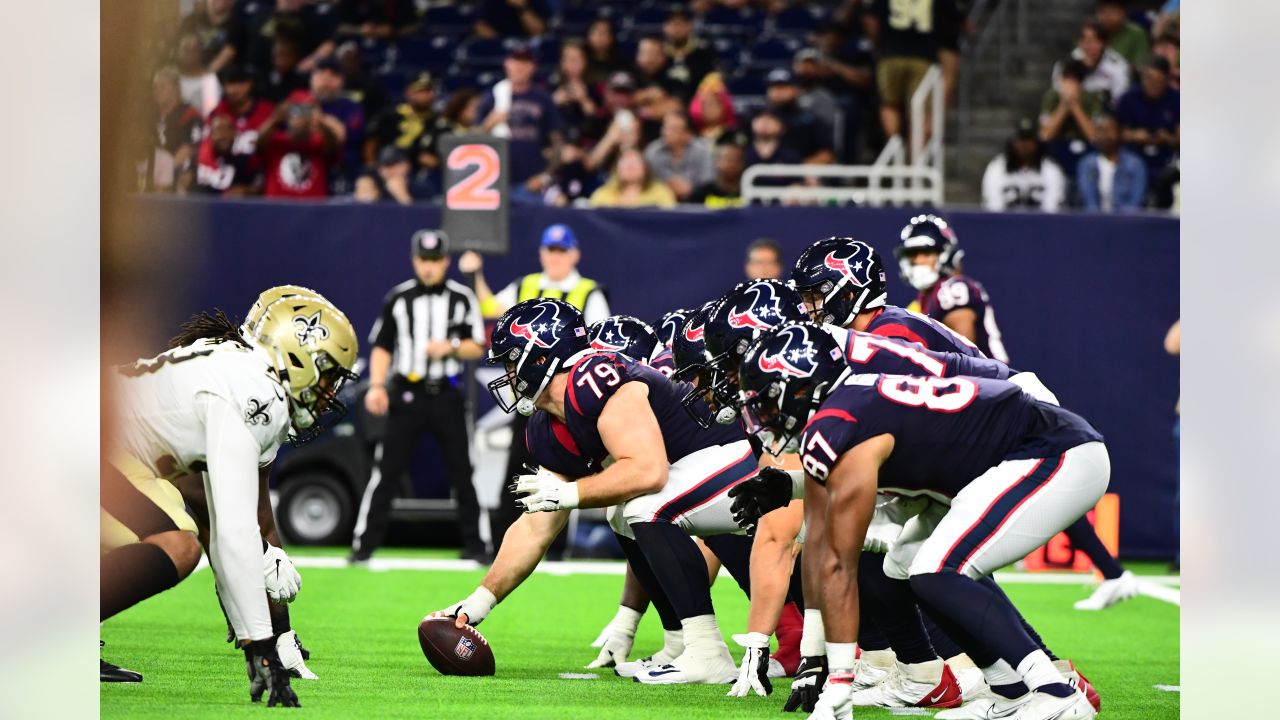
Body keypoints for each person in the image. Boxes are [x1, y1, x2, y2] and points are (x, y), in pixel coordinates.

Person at [735, 324, 1107, 720]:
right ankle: (1010, 690)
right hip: (1010, 457)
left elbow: (835, 560)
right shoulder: (847, 408)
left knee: (938, 570)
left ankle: (1055, 690)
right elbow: (855, 482)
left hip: (1051, 451)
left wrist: (838, 679)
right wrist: (790, 486)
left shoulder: (841, 422)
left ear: (801, 388)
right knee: (906, 566)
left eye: (768, 403)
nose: (764, 418)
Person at [429, 299, 758, 685]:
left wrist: (571, 494)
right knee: (625, 514)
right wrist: (481, 599)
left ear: (540, 359)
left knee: (640, 505)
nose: (506, 374)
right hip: (702, 484)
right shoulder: (547, 426)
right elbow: (537, 526)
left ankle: (707, 651)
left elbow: (648, 471)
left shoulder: (594, 378)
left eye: (511, 361)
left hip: (739, 462)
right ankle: (683, 644)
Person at [101, 292, 358, 703]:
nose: (328, 394)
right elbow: (234, 531)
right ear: (296, 354)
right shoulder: (257, 395)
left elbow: (221, 529)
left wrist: (259, 644)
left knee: (173, 536)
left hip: (99, 441)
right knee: (176, 545)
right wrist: (262, 648)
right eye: (327, 375)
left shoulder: (237, 366)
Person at [458, 224, 612, 550]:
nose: (555, 257)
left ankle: (554, 548)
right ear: (542, 253)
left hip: (568, 402)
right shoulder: (526, 285)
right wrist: (476, 273)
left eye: (561, 251)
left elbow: (600, 345)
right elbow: (489, 309)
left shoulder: (589, 291)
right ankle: (502, 543)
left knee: (562, 468)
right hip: (528, 396)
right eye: (550, 250)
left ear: (574, 254)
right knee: (516, 469)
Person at [353, 230, 488, 563]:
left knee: (464, 471)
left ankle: (477, 546)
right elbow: (382, 345)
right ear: (415, 261)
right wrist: (377, 386)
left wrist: (451, 347)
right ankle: (364, 546)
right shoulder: (398, 298)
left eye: (435, 260)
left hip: (447, 394)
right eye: (423, 260)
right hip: (408, 393)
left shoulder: (462, 298)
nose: (429, 267)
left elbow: (478, 346)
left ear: (446, 261)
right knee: (387, 470)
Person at [894, 215, 1010, 362]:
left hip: (988, 380)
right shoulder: (920, 303)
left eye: (926, 253)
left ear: (945, 254)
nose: (919, 261)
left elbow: (966, 356)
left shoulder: (953, 289)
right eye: (912, 255)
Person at [476, 44, 564, 200]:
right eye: (516, 61)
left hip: (530, 185)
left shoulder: (542, 99)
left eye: (525, 62)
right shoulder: (492, 97)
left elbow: (557, 142)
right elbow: (470, 141)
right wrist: (488, 124)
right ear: (507, 64)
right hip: (493, 184)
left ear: (533, 67)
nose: (520, 67)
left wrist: (545, 177)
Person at [864, 0, 961, 140]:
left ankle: (894, 146)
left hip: (891, 55)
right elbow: (953, 20)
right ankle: (914, 155)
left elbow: (871, 20)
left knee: (890, 105)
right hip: (923, 58)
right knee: (918, 112)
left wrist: (876, 44)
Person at [367, 71, 451, 186]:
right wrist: (372, 165)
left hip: (419, 175)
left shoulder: (439, 123)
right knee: (366, 182)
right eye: (421, 91)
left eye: (429, 91)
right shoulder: (391, 115)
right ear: (408, 92)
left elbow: (441, 156)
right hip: (385, 167)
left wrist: (435, 161)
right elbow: (372, 142)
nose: (427, 95)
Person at [256, 99, 343, 199]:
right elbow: (259, 143)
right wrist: (275, 119)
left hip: (313, 210)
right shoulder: (277, 141)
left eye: (304, 112)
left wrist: (320, 120)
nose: (299, 118)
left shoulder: (318, 143)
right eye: (294, 112)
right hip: (277, 208)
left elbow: (334, 146)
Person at [1114, 56, 1180, 184]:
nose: (1152, 85)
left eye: (1158, 81)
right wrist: (1134, 136)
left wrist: (1168, 138)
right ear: (1142, 77)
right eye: (1148, 78)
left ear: (1166, 80)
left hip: (1167, 155)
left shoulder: (1176, 99)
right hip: (1133, 153)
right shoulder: (1128, 98)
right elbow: (1117, 133)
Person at [982, 119, 1066, 212]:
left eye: (1029, 140)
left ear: (1037, 143)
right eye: (1020, 140)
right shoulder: (997, 167)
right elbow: (993, 208)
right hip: (1004, 224)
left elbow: (1052, 209)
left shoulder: (1051, 169)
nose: (1024, 145)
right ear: (1012, 143)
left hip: (1041, 225)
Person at [1039, 59, 1102, 181]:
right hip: (1057, 146)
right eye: (1067, 79)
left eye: (1075, 81)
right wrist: (1064, 106)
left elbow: (1095, 137)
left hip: (1085, 149)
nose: (1070, 85)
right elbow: (1045, 135)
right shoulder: (1051, 98)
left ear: (1081, 83)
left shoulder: (1091, 99)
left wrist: (1075, 106)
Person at [307, 58, 365, 189]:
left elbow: (344, 136)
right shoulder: (299, 102)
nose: (326, 79)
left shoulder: (351, 107)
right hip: (307, 166)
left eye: (333, 75)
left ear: (342, 81)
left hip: (342, 171)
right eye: (321, 73)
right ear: (311, 78)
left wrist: (319, 118)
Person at [1077, 113, 1148, 211]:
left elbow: (1135, 202)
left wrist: (1118, 222)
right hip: (1094, 221)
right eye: (1100, 130)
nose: (1104, 135)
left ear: (1120, 133)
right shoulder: (1087, 164)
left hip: (1126, 222)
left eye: (1109, 130)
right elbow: (1089, 202)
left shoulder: (1135, 164)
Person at [764, 69, 836, 165]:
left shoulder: (810, 121)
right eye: (773, 87)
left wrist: (800, 171)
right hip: (762, 174)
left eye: (783, 87)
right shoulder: (757, 120)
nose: (777, 92)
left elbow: (827, 154)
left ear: (796, 89)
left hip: (801, 175)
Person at [148, 67, 202, 192]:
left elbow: (188, 149)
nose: (157, 91)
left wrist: (163, 173)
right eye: (155, 87)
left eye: (162, 86)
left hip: (176, 173)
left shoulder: (189, 115)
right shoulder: (150, 115)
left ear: (177, 88)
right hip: (151, 172)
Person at [1051, 22, 1130, 106]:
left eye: (1093, 40)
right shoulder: (1065, 63)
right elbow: (1057, 91)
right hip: (1072, 107)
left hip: (1104, 110)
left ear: (1104, 43)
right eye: (1084, 40)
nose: (1088, 45)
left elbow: (1119, 98)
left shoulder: (1118, 65)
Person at [644, 111, 714, 202]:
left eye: (672, 129)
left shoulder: (702, 150)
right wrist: (668, 186)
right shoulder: (653, 151)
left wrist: (692, 191)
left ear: (687, 135)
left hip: (697, 203)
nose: (665, 132)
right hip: (661, 204)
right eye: (665, 127)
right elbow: (646, 184)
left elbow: (709, 182)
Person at [208, 64, 276, 158]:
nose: (235, 89)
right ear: (224, 87)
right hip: (226, 168)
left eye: (241, 83)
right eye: (230, 84)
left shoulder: (267, 110)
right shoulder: (217, 112)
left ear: (250, 84)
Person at [186, 114, 262, 196]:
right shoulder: (197, 160)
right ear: (211, 135)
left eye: (228, 129)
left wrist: (247, 191)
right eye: (218, 130)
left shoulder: (244, 163)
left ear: (234, 133)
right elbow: (184, 187)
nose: (223, 135)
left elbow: (258, 186)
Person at [589, 149, 678, 208]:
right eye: (625, 162)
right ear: (616, 169)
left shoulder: (661, 193)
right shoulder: (602, 194)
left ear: (645, 168)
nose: (630, 165)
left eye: (635, 162)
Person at [177, 0, 247, 74]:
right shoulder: (190, 21)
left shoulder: (238, 28)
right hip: (184, 71)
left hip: (215, 78)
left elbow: (222, 60)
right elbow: (180, 49)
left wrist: (199, 77)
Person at [354, 146, 433, 204]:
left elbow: (423, 220)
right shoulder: (376, 183)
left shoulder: (420, 187)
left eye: (390, 165)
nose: (385, 171)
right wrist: (366, 201)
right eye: (382, 166)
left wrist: (402, 196)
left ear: (405, 165)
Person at [662, 8, 717, 90]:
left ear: (690, 26)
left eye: (681, 24)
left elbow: (710, 80)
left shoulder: (703, 51)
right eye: (672, 24)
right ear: (665, 27)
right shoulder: (659, 51)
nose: (676, 29)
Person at [175, 33, 222, 117]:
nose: (189, 55)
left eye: (194, 51)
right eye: (185, 50)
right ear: (178, 52)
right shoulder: (172, 77)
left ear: (200, 53)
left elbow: (211, 113)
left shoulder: (209, 81)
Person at [1094, 0, 1150, 68]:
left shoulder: (1136, 33)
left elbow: (1140, 65)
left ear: (1123, 13)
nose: (1106, 16)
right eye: (1103, 11)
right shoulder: (1091, 31)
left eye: (1112, 11)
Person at [690, 144, 746, 208]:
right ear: (715, 162)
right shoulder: (701, 193)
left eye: (735, 160)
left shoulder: (751, 192)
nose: (730, 164)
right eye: (726, 159)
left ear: (742, 163)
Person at [474, 0, 549, 39]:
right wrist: (501, 43)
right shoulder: (491, 2)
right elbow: (480, 26)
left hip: (529, 46)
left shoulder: (537, 1)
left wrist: (522, 8)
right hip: (499, 45)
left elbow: (539, 31)